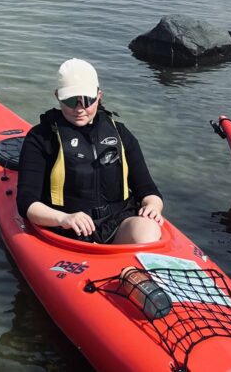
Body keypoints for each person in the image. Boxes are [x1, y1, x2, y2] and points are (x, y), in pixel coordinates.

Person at [15, 58, 164, 244]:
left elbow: (148, 190)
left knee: (148, 229)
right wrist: (63, 219)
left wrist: (153, 206)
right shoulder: (40, 137)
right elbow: (26, 203)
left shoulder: (120, 133)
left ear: (98, 96)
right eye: (70, 101)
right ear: (57, 96)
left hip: (117, 222)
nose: (79, 109)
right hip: (65, 228)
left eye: (87, 100)